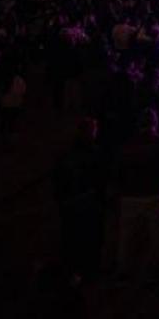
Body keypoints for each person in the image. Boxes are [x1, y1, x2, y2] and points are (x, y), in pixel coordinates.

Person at [114, 108, 159, 283]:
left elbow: (117, 169)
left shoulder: (127, 144)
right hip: (154, 194)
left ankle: (124, 269)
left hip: (129, 195)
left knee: (126, 235)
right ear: (155, 123)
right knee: (157, 235)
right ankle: (154, 270)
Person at [53, 117, 105, 279]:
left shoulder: (66, 153)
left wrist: (61, 199)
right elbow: (100, 179)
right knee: (89, 238)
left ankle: (70, 269)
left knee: (71, 237)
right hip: (88, 201)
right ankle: (88, 271)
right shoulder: (94, 153)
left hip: (70, 202)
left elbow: (58, 179)